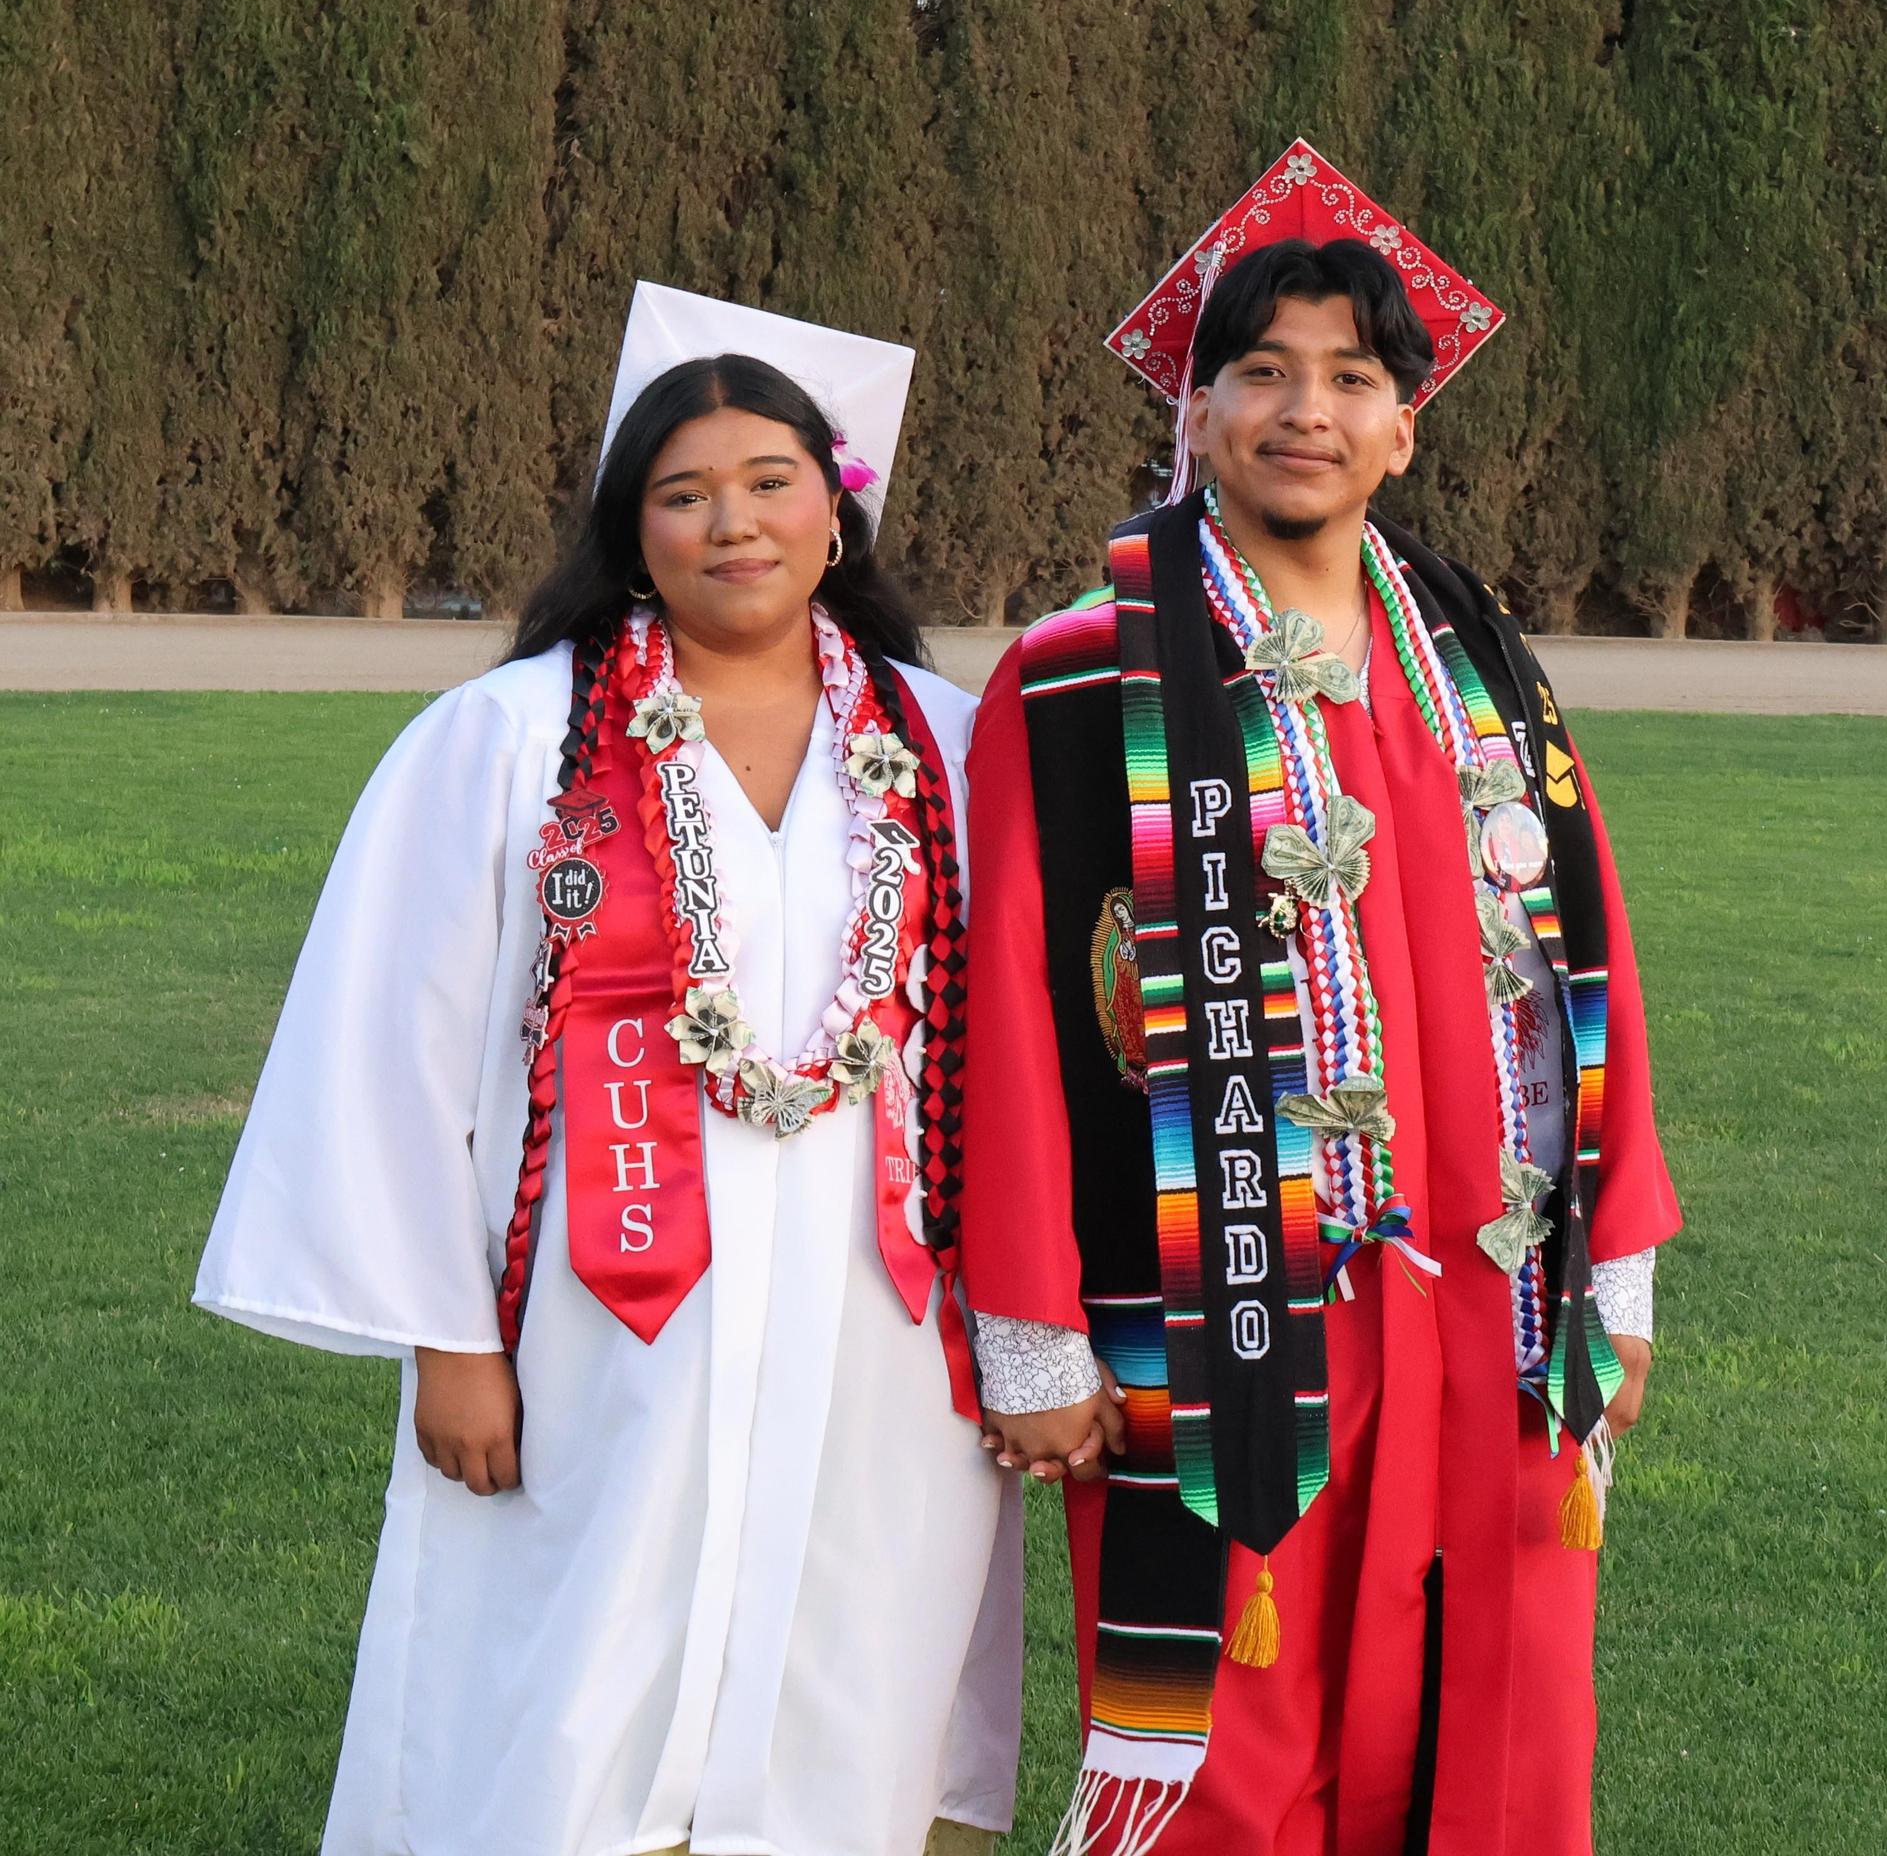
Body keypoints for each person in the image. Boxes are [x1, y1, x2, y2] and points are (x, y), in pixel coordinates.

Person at [195, 285, 1018, 1856]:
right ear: (628, 530)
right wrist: (448, 1340)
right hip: (593, 1325)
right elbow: (388, 1050)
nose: (733, 524)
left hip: (884, 1327)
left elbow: (1022, 1051)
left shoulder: (947, 744)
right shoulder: (507, 741)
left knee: (854, 1653)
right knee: (566, 1687)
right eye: (684, 493)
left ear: (835, 509)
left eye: (770, 482)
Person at [961, 142, 1682, 1855]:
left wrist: (1618, 1268)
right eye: (1262, 374)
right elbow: (1012, 1011)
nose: (1307, 411)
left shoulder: (1481, 663)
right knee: (1235, 1737)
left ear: (1406, 425)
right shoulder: (1080, 676)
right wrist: (1035, 1327)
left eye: (1351, 378)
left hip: (1490, 1305)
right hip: (1227, 1307)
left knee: (1502, 1707)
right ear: (1195, 408)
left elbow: (1590, 963)